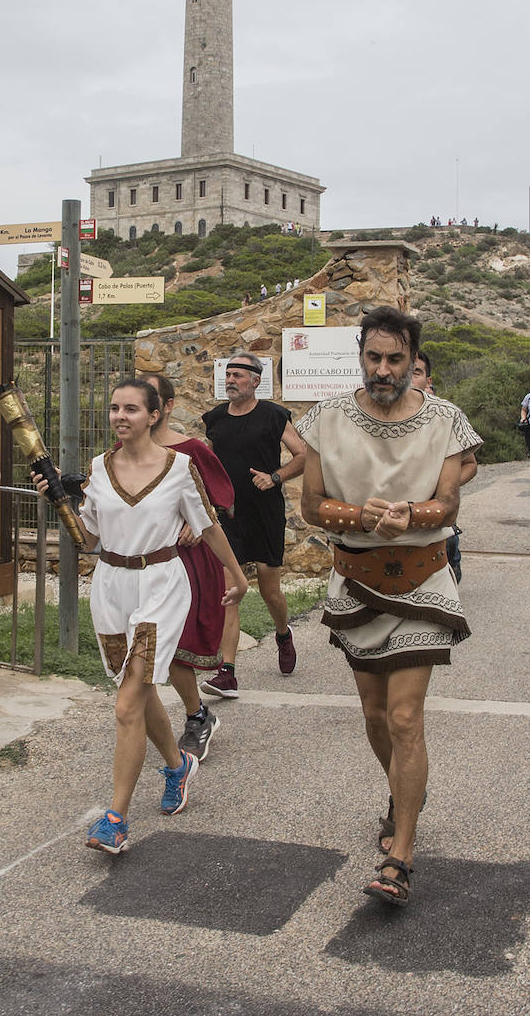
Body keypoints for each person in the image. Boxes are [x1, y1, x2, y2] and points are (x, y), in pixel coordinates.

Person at [297, 307, 481, 908]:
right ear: (361, 356)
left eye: (395, 359)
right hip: (355, 582)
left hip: (424, 580)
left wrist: (411, 514)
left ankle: (400, 854)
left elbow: (449, 504)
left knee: (405, 718)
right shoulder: (326, 419)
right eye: (373, 358)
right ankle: (405, 795)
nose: (383, 369)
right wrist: (359, 517)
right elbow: (312, 505)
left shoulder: (445, 420)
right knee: (375, 718)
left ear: (412, 360)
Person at [36, 378, 246, 855]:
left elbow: (209, 525)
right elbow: (89, 538)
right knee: (138, 686)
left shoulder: (179, 467)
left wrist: (237, 575)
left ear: (154, 415)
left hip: (161, 585)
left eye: (130, 408)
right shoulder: (98, 467)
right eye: (114, 408)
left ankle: (116, 819)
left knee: (128, 702)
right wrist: (58, 500)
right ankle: (177, 767)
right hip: (110, 587)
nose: (119, 416)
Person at [140, 373, 245, 761]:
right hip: (143, 560)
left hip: (188, 559)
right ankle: (168, 719)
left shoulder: (189, 451)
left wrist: (194, 520)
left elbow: (219, 496)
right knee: (151, 647)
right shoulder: (122, 452)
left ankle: (195, 716)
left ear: (166, 407)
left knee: (178, 644)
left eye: (149, 399)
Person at [200, 353, 307, 697]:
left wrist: (275, 477)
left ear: (255, 380)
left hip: (264, 512)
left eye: (238, 375)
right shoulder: (215, 418)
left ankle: (282, 634)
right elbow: (209, 461)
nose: (230, 380)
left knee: (268, 588)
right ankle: (227, 672)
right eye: (227, 375)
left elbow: (303, 455)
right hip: (228, 516)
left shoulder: (274, 415)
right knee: (230, 591)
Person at [412, 351, 478, 583]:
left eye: (416, 372)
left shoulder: (445, 416)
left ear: (428, 380)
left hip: (439, 526)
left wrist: (442, 485)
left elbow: (470, 465)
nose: (410, 379)